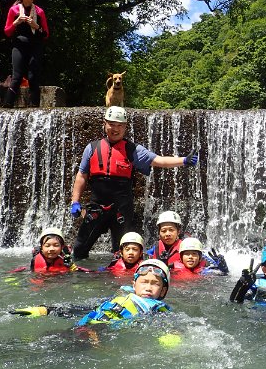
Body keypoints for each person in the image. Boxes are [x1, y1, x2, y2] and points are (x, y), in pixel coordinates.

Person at [70, 106, 198, 260]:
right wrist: (75, 201)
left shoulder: (133, 150)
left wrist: (184, 160)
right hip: (97, 208)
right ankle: (78, 280)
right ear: (105, 124)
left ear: (125, 127)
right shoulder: (92, 148)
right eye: (112, 124)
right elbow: (82, 175)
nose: (115, 129)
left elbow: (159, 160)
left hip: (121, 210)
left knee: (123, 253)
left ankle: (117, 282)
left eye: (119, 125)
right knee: (79, 249)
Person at [10, 259, 171, 328]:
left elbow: (167, 325)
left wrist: (171, 338)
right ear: (134, 284)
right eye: (144, 282)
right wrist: (46, 310)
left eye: (155, 284)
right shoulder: (119, 296)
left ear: (163, 290)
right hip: (87, 323)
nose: (148, 287)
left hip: (104, 333)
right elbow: (87, 308)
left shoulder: (158, 309)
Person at [3, 0, 49, 108]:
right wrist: (16, 22)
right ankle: (7, 104)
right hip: (19, 45)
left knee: (33, 76)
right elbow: (7, 32)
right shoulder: (14, 10)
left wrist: (36, 26)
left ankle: (35, 106)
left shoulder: (40, 12)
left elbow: (46, 34)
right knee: (17, 76)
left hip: (36, 45)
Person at [9, 227, 90, 273]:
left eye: (56, 245)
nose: (51, 249)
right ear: (41, 248)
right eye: (47, 246)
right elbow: (25, 269)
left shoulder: (66, 261)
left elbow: (80, 270)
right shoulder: (34, 261)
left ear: (62, 247)